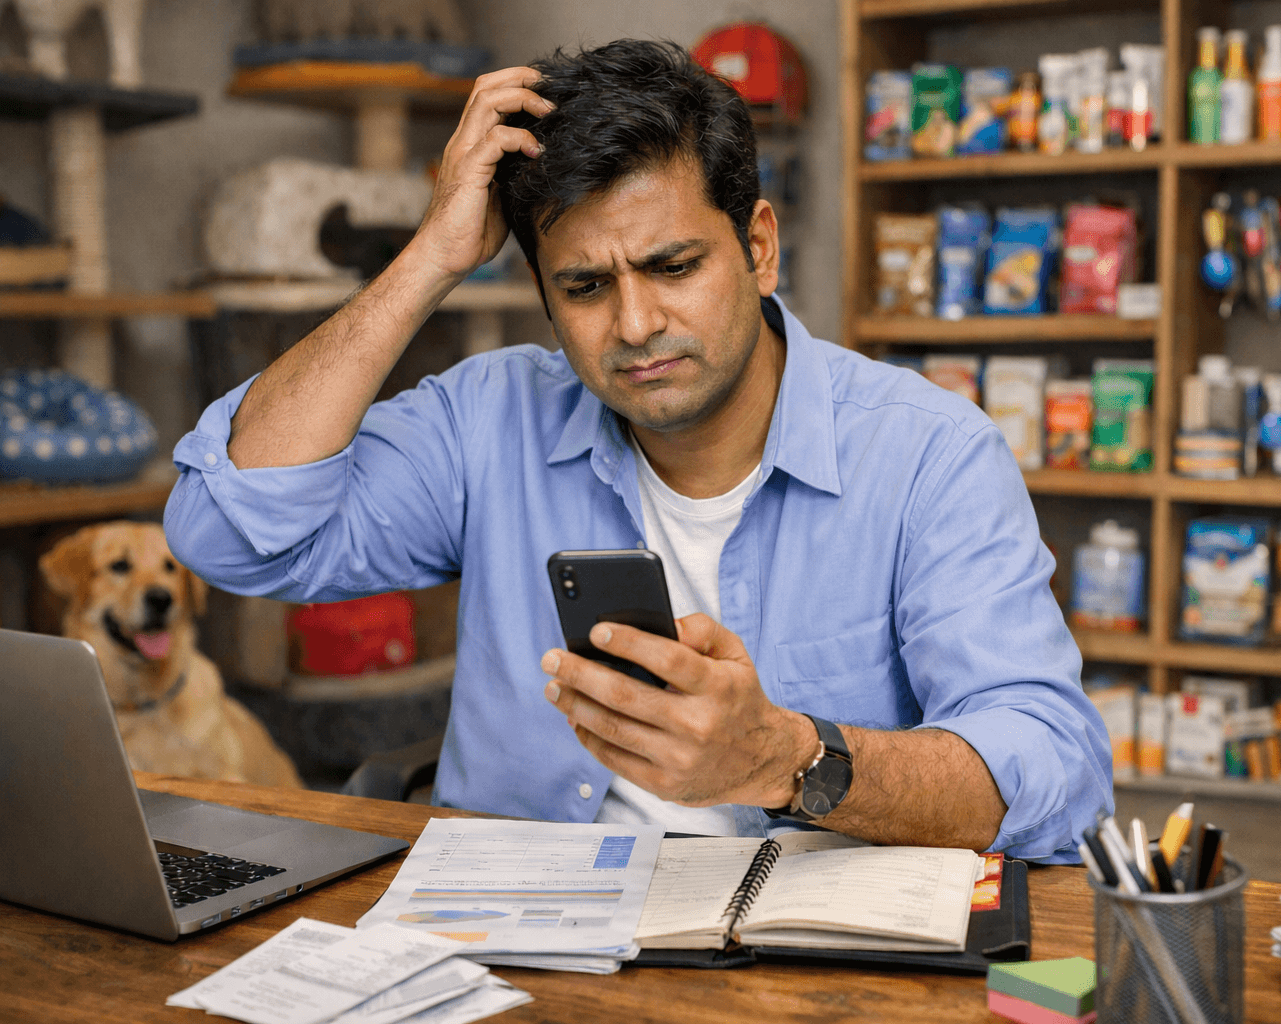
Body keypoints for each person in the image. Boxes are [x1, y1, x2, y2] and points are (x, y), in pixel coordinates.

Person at [164, 39, 1111, 860]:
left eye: (674, 266)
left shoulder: (929, 455)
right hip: (513, 946)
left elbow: (1052, 773)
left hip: (795, 961)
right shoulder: (486, 420)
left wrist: (789, 759)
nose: (636, 324)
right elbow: (230, 531)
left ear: (760, 247)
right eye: (583, 286)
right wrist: (430, 259)